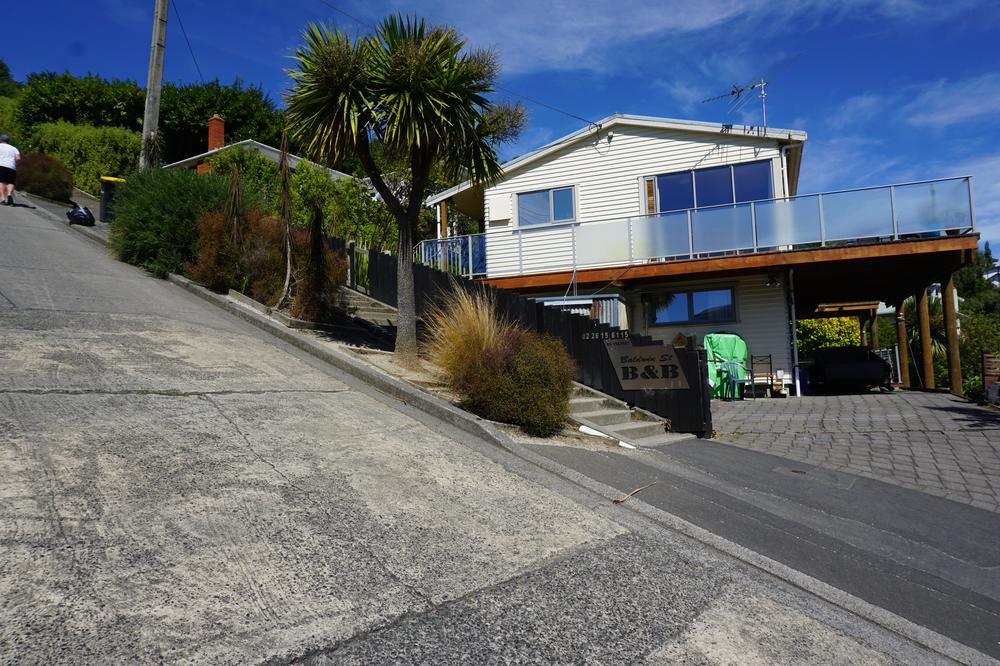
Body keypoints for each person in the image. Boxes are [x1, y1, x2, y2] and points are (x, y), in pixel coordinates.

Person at [0, 134, 21, 206]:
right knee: (10, 182)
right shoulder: (14, 148)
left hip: (1, 166)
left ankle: (2, 199)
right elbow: (18, 158)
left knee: (1, 181)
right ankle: (9, 194)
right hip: (11, 167)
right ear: (8, 141)